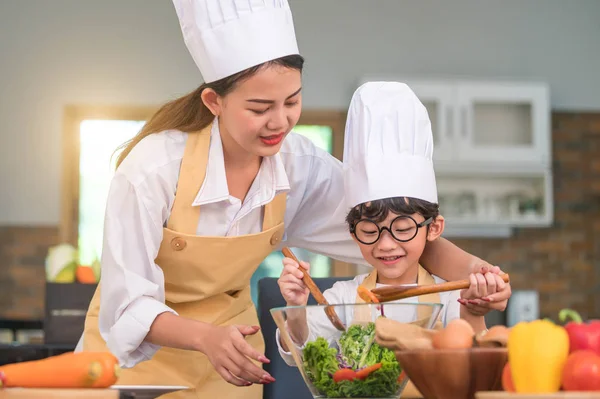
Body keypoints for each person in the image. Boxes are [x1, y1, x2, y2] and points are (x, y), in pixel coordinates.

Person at [76, 1, 510, 398]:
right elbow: (128, 301)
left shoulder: (300, 167)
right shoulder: (153, 169)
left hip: (232, 362)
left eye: (292, 101)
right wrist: (203, 337)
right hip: (128, 363)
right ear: (214, 101)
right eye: (259, 107)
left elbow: (392, 229)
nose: (279, 121)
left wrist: (480, 275)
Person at [276, 81, 510, 361]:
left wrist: (472, 311)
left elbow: (473, 361)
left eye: (402, 230)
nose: (386, 245)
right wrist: (295, 307)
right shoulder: (345, 298)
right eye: (369, 231)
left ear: (433, 228)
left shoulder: (451, 298)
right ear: (352, 233)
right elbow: (298, 355)